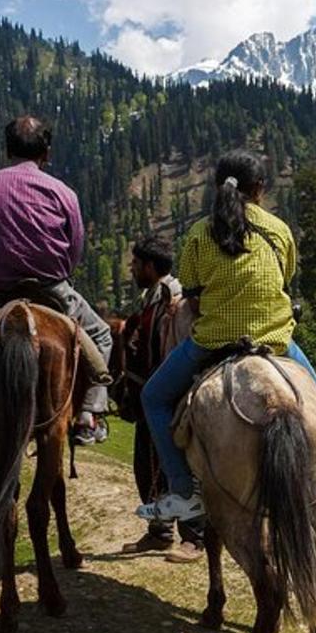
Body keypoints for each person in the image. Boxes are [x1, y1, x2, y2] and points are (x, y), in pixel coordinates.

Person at [136, 149, 316, 524]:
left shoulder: (200, 234)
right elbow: (282, 281)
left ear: (217, 187)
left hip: (213, 340)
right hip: (275, 338)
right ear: (260, 190)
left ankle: (183, 491)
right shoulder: (279, 230)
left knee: (152, 397)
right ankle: (315, 475)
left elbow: (192, 294)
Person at [0, 115, 112, 449]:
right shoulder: (64, 193)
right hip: (49, 289)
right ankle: (89, 415)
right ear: (46, 152)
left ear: (7, 150)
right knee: (102, 335)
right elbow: (74, 252)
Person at [119, 235, 204, 561]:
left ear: (152, 267)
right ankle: (159, 531)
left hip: (172, 398)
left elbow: (182, 348)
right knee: (147, 466)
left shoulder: (177, 302)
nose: (133, 268)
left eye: (137, 264)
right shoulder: (153, 298)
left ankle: (193, 537)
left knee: (179, 467)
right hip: (149, 398)